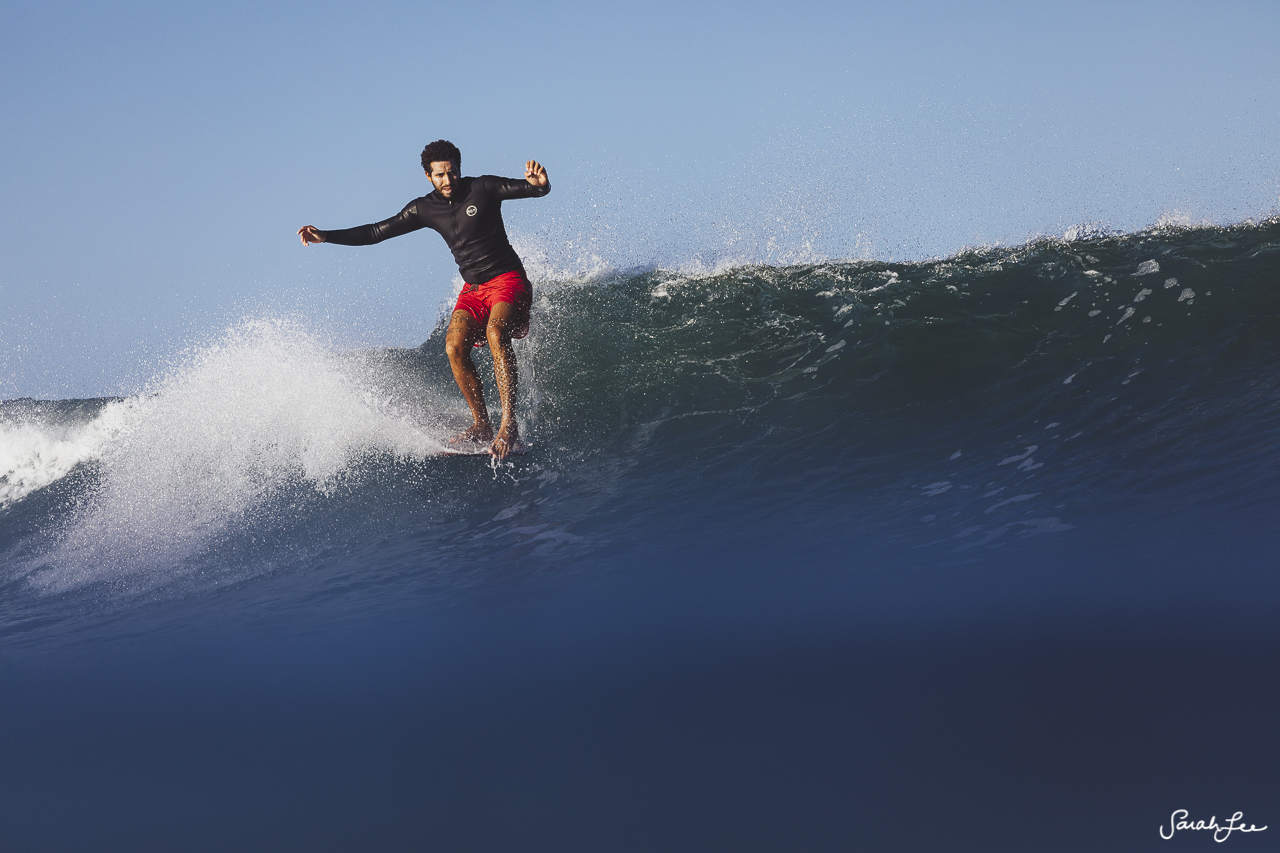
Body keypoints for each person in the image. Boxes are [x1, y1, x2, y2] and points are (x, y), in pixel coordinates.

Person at [297, 139, 550, 460]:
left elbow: (527, 189)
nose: (448, 181)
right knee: (453, 347)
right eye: (440, 176)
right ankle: (482, 424)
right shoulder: (424, 208)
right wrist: (326, 236)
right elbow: (377, 232)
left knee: (496, 333)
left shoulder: (482, 188)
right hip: (472, 290)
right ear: (429, 177)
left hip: (506, 280)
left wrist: (539, 186)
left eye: (452, 173)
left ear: (460, 169)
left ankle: (508, 426)